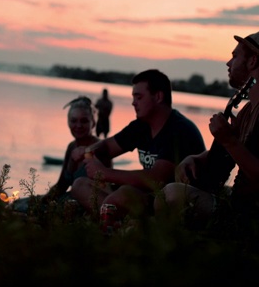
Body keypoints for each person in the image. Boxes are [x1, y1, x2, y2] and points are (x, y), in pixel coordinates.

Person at [154, 28, 259, 238]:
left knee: (170, 195)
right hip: (242, 204)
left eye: (235, 56)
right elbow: (244, 149)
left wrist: (228, 140)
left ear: (253, 62)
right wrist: (196, 158)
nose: (228, 63)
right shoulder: (251, 107)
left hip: (257, 223)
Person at [70, 69, 206, 222]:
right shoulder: (141, 125)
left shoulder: (179, 130)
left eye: (139, 97)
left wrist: (104, 173)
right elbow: (108, 147)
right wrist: (87, 151)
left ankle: (118, 219)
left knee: (122, 195)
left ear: (158, 97)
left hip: (170, 202)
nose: (133, 102)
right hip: (146, 196)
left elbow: (157, 179)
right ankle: (117, 218)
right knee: (79, 185)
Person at [12, 96, 113, 213]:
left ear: (93, 123)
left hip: (86, 206)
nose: (78, 126)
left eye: (84, 121)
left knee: (29, 210)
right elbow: (61, 185)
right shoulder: (71, 147)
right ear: (68, 122)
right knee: (19, 203)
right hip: (68, 199)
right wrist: (42, 200)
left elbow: (105, 190)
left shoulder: (99, 148)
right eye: (74, 120)